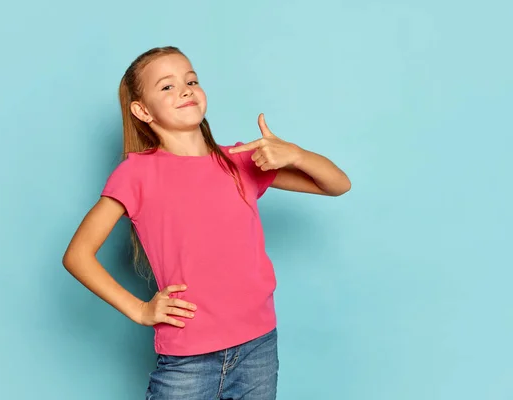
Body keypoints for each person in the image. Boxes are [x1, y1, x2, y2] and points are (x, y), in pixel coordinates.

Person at [62, 46, 351, 400]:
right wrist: (140, 310)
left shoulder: (240, 161)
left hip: (258, 347)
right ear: (141, 110)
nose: (184, 89)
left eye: (191, 80)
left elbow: (337, 184)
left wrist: (297, 154)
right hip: (187, 360)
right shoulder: (136, 173)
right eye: (166, 87)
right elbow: (77, 255)